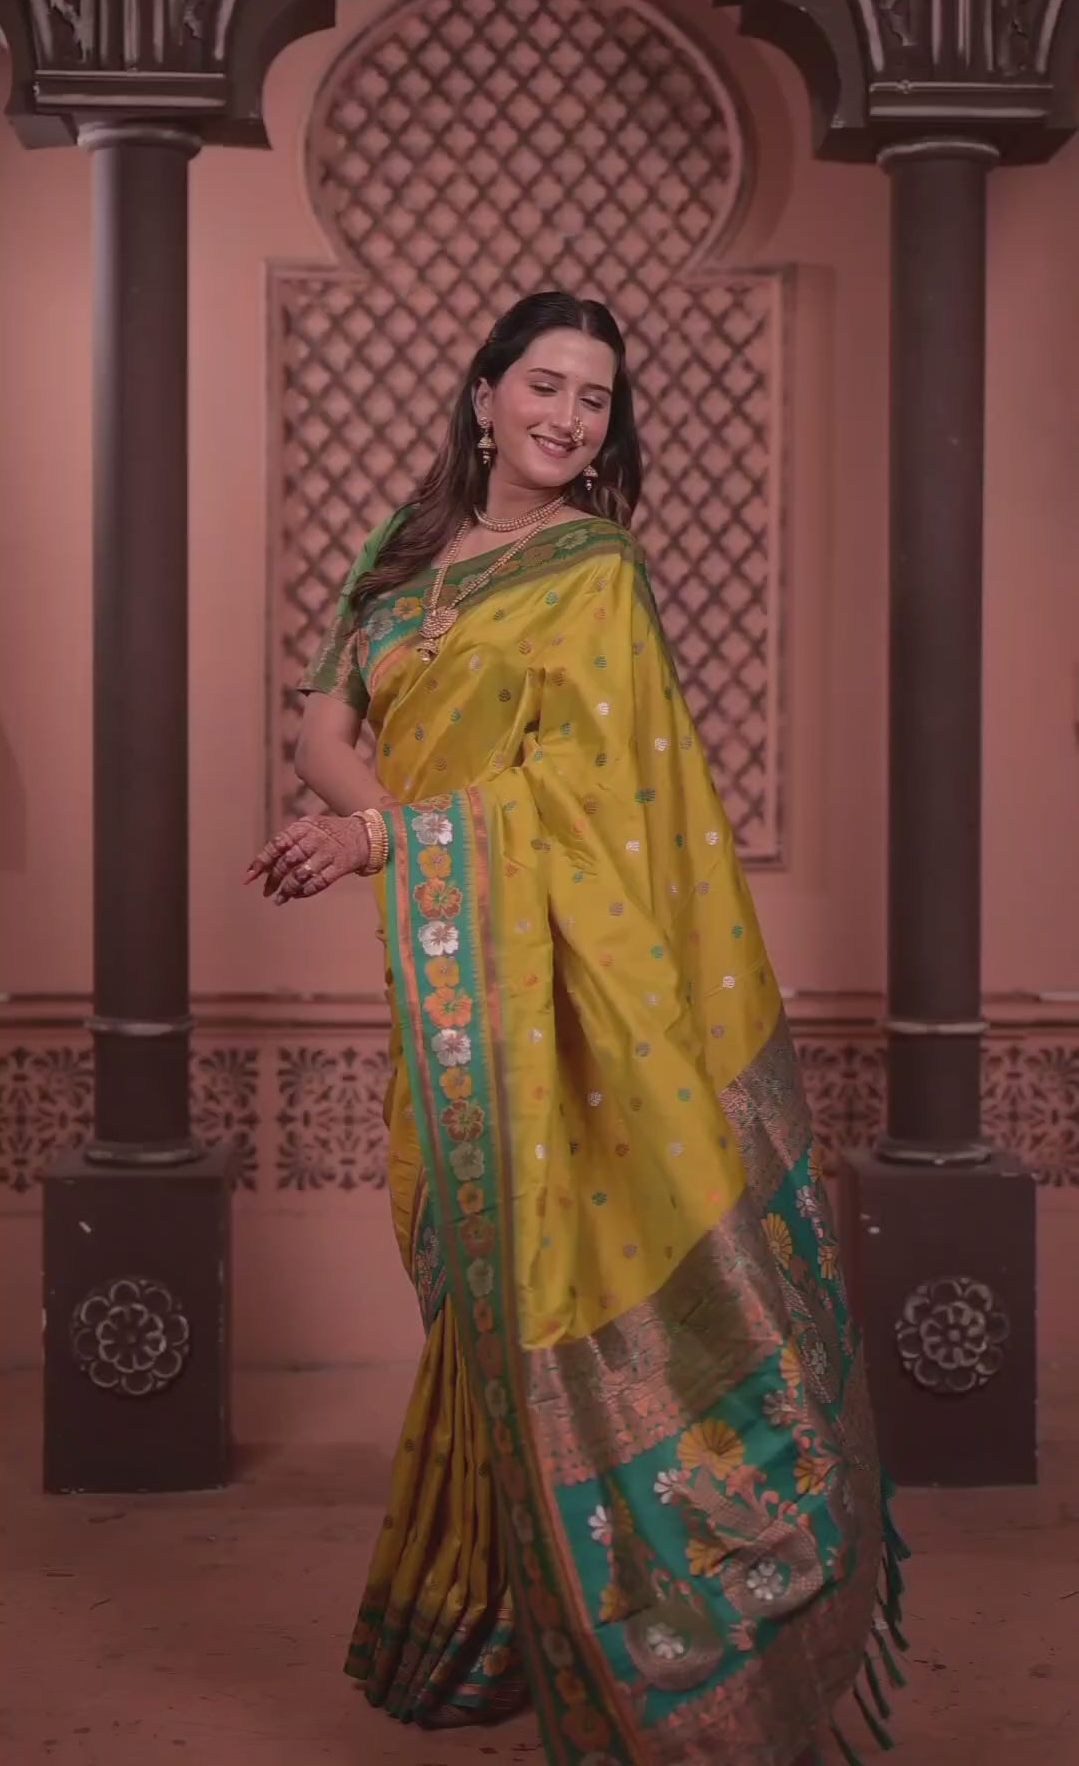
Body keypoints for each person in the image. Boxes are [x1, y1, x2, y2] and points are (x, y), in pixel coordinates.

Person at [245, 292, 907, 1764]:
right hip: (451, 977)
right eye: (543, 385)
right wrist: (399, 845)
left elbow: (597, 795)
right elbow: (322, 724)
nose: (566, 416)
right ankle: (490, 1611)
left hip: (558, 993)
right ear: (484, 396)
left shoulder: (597, 570)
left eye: (594, 398)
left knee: (540, 1281)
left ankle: (662, 1633)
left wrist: (386, 843)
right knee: (467, 1279)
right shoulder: (400, 552)